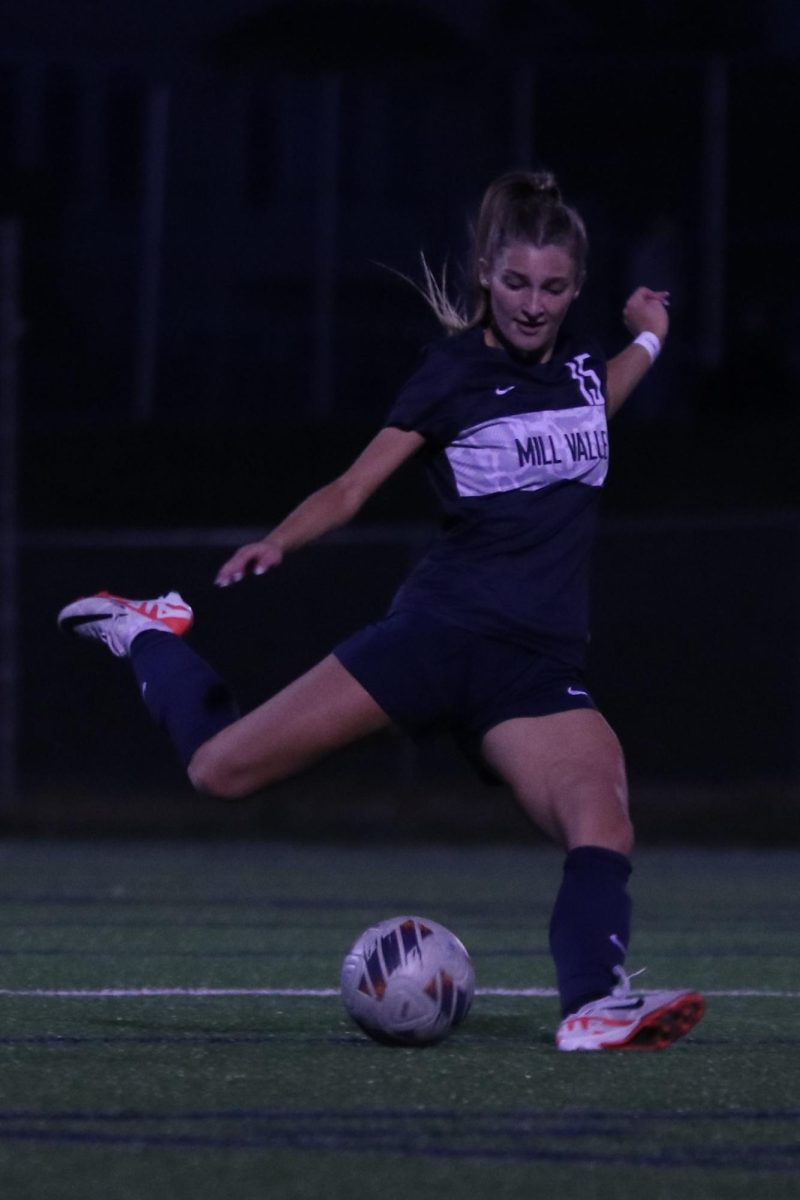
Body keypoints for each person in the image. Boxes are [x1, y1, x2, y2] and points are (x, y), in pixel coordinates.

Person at [58, 169, 704, 1052]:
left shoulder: (585, 376)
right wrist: (281, 540)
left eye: (553, 287)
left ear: (576, 287)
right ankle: (146, 632)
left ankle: (592, 1006)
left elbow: (608, 394)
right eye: (515, 282)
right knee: (219, 772)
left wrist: (653, 338)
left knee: (604, 818)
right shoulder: (453, 375)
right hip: (440, 637)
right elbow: (353, 484)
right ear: (484, 272)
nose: (532, 303)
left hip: (536, 668)